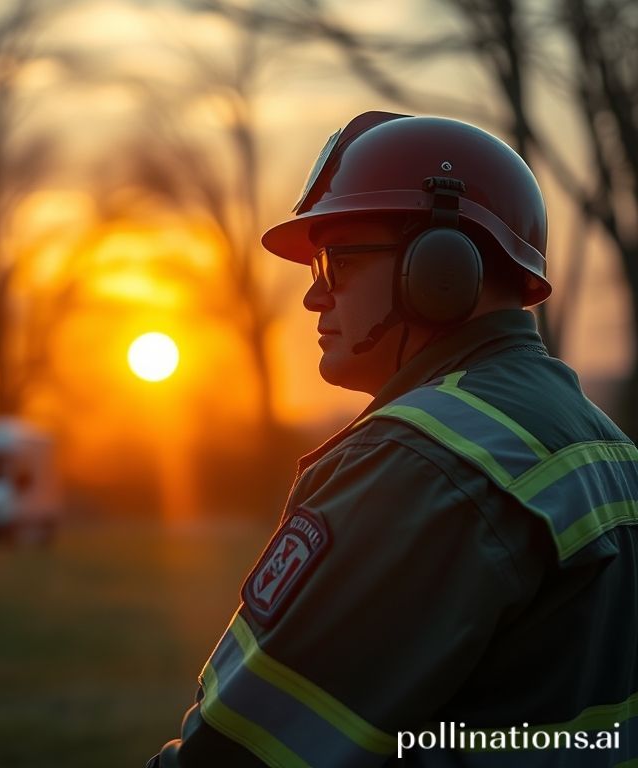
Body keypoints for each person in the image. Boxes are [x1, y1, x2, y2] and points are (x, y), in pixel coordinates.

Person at [147, 112, 638, 766]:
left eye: (337, 260)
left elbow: (245, 752)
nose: (313, 297)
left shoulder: (423, 459)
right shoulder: (601, 441)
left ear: (440, 266)